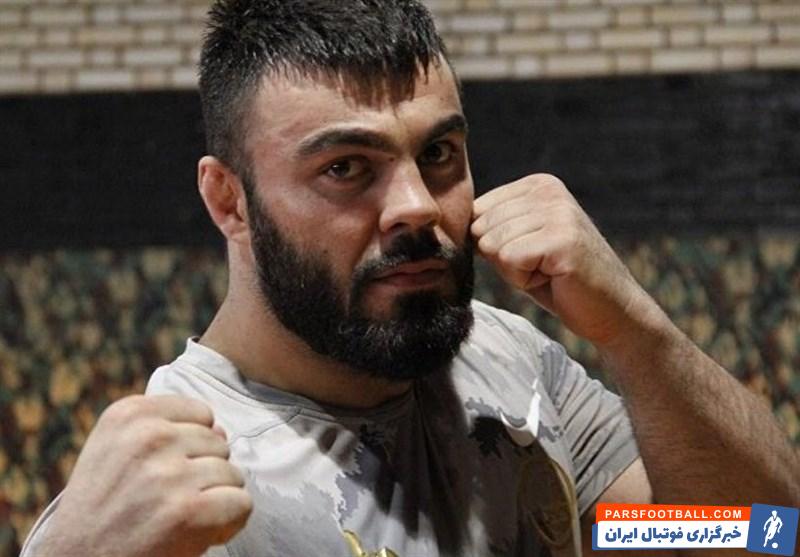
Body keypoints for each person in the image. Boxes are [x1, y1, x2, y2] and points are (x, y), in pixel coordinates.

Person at [22, 1, 800, 556]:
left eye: (438, 154)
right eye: (346, 167)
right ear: (230, 201)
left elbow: (756, 538)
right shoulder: (184, 487)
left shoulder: (514, 368)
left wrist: (636, 331)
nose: (417, 206)